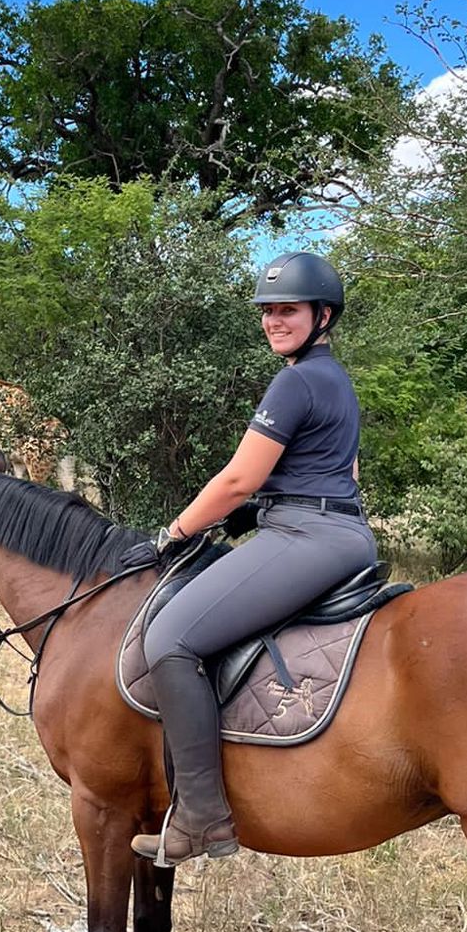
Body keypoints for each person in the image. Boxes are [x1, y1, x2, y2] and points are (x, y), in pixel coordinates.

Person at [121, 251, 378, 866]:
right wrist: (263, 507)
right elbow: (344, 471)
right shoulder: (334, 379)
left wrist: (176, 532)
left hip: (306, 536)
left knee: (170, 640)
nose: (274, 321)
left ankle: (202, 819)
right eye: (267, 311)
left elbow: (238, 478)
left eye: (287, 310)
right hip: (331, 528)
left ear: (322, 315)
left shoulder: (295, 381)